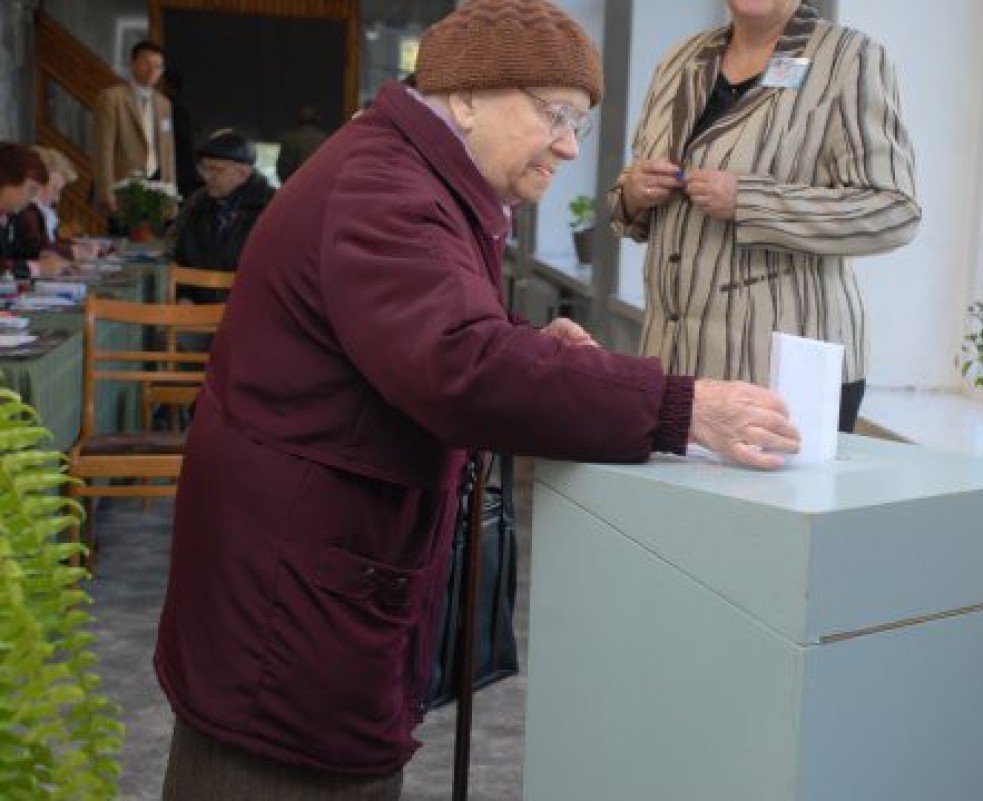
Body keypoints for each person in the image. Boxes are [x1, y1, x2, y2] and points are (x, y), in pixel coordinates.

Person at [153, 0, 799, 796]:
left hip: (299, 578)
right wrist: (679, 407)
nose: (569, 146)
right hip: (286, 614)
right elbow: (458, 364)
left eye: (579, 124)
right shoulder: (386, 189)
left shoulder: (409, 172)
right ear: (465, 96)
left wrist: (528, 342)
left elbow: (424, 325)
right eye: (555, 115)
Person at [609, 0, 921, 433]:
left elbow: (893, 209)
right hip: (674, 363)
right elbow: (638, 195)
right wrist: (632, 193)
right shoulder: (679, 58)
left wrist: (750, 201)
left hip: (784, 373)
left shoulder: (850, 57)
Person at [167, 129, 275, 304]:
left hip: (250, 310)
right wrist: (184, 296)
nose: (207, 177)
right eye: (204, 169)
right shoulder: (198, 203)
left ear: (242, 173)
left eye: (215, 170)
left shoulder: (272, 208)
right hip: (198, 311)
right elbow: (182, 257)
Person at [91, 40, 176, 230]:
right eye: (146, 63)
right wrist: (105, 189)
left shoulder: (164, 104)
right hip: (124, 186)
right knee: (123, 237)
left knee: (154, 240)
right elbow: (103, 148)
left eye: (158, 66)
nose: (152, 70)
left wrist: (171, 193)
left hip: (156, 184)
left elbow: (168, 151)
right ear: (133, 64)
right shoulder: (112, 97)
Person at [0, 143, 72, 279]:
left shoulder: (6, 217)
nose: (32, 197)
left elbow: (13, 254)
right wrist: (37, 268)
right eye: (31, 189)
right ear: (6, 180)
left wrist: (40, 255)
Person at [159, 68, 203, 198]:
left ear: (170, 88)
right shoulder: (178, 111)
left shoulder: (171, 111)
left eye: (158, 84)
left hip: (175, 177)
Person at [276, 105, 330, 182]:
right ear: (317, 119)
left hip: (296, 184)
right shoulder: (325, 140)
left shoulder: (289, 139)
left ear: (299, 120)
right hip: (319, 184)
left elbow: (283, 169)